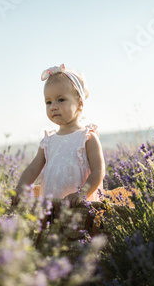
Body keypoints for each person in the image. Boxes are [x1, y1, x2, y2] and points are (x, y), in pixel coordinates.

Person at [12, 64, 105, 206]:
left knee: (79, 228)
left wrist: (81, 194)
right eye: (48, 102)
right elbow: (32, 169)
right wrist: (20, 188)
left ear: (80, 103)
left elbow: (98, 171)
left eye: (60, 100)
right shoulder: (48, 141)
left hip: (79, 206)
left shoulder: (87, 137)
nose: (53, 106)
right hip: (52, 206)